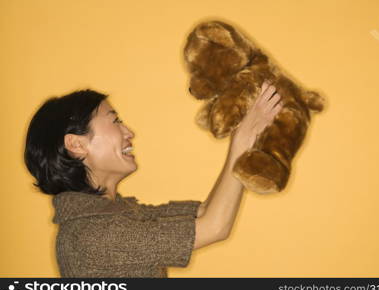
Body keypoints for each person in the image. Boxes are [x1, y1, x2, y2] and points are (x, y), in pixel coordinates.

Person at [24, 80, 283, 277]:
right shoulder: (90, 236)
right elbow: (214, 227)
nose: (129, 132)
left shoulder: (119, 214)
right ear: (77, 145)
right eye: (115, 121)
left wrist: (246, 139)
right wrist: (243, 141)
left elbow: (204, 213)